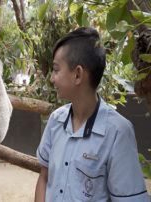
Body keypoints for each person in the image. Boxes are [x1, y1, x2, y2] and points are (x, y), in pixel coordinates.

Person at [35, 27, 149, 202]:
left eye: (56, 70)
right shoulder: (55, 121)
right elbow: (44, 177)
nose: (52, 78)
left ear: (78, 75)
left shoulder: (117, 133)